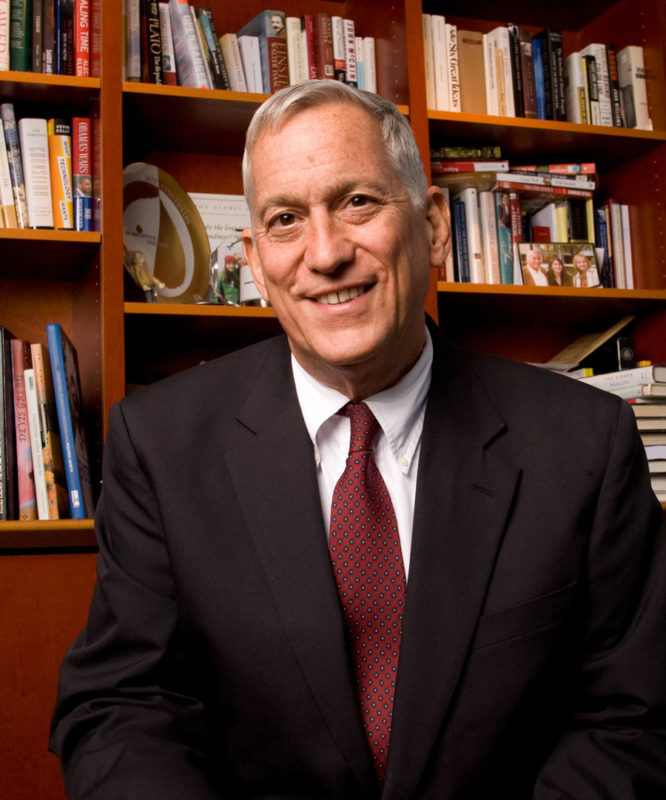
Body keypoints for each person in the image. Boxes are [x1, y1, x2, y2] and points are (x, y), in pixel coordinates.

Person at [50, 80, 666, 799]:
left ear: (434, 225)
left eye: (358, 202)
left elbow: (635, 715)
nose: (325, 253)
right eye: (285, 219)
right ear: (256, 261)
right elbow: (123, 706)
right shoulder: (160, 445)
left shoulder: (585, 443)